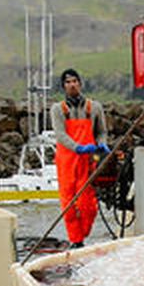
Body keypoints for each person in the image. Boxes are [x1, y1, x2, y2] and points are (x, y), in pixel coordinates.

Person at [51, 68, 108, 247]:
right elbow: (60, 135)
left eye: (74, 81)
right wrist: (78, 147)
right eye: (68, 82)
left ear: (80, 83)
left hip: (87, 162)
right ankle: (76, 241)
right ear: (63, 86)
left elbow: (101, 131)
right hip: (66, 161)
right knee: (68, 206)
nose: (72, 85)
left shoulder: (95, 107)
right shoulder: (58, 109)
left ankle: (82, 234)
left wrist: (102, 144)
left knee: (88, 206)